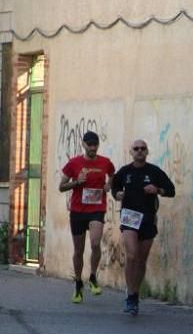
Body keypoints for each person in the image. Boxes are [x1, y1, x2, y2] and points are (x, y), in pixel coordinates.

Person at [110, 139, 176, 316]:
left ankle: (135, 293)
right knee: (131, 255)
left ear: (147, 152)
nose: (139, 151)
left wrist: (157, 190)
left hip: (148, 217)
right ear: (131, 152)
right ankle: (130, 295)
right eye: (136, 149)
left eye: (143, 149)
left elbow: (171, 189)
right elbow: (114, 185)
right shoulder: (125, 171)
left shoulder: (154, 171)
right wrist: (117, 194)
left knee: (141, 259)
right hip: (130, 217)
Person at [59, 130, 116, 303]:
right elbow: (61, 187)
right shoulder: (74, 163)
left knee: (95, 243)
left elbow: (113, 174)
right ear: (83, 145)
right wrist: (77, 182)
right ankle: (78, 283)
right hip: (77, 211)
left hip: (97, 209)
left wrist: (109, 185)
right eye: (89, 144)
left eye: (95, 144)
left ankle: (92, 277)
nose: (92, 147)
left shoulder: (105, 162)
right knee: (79, 250)